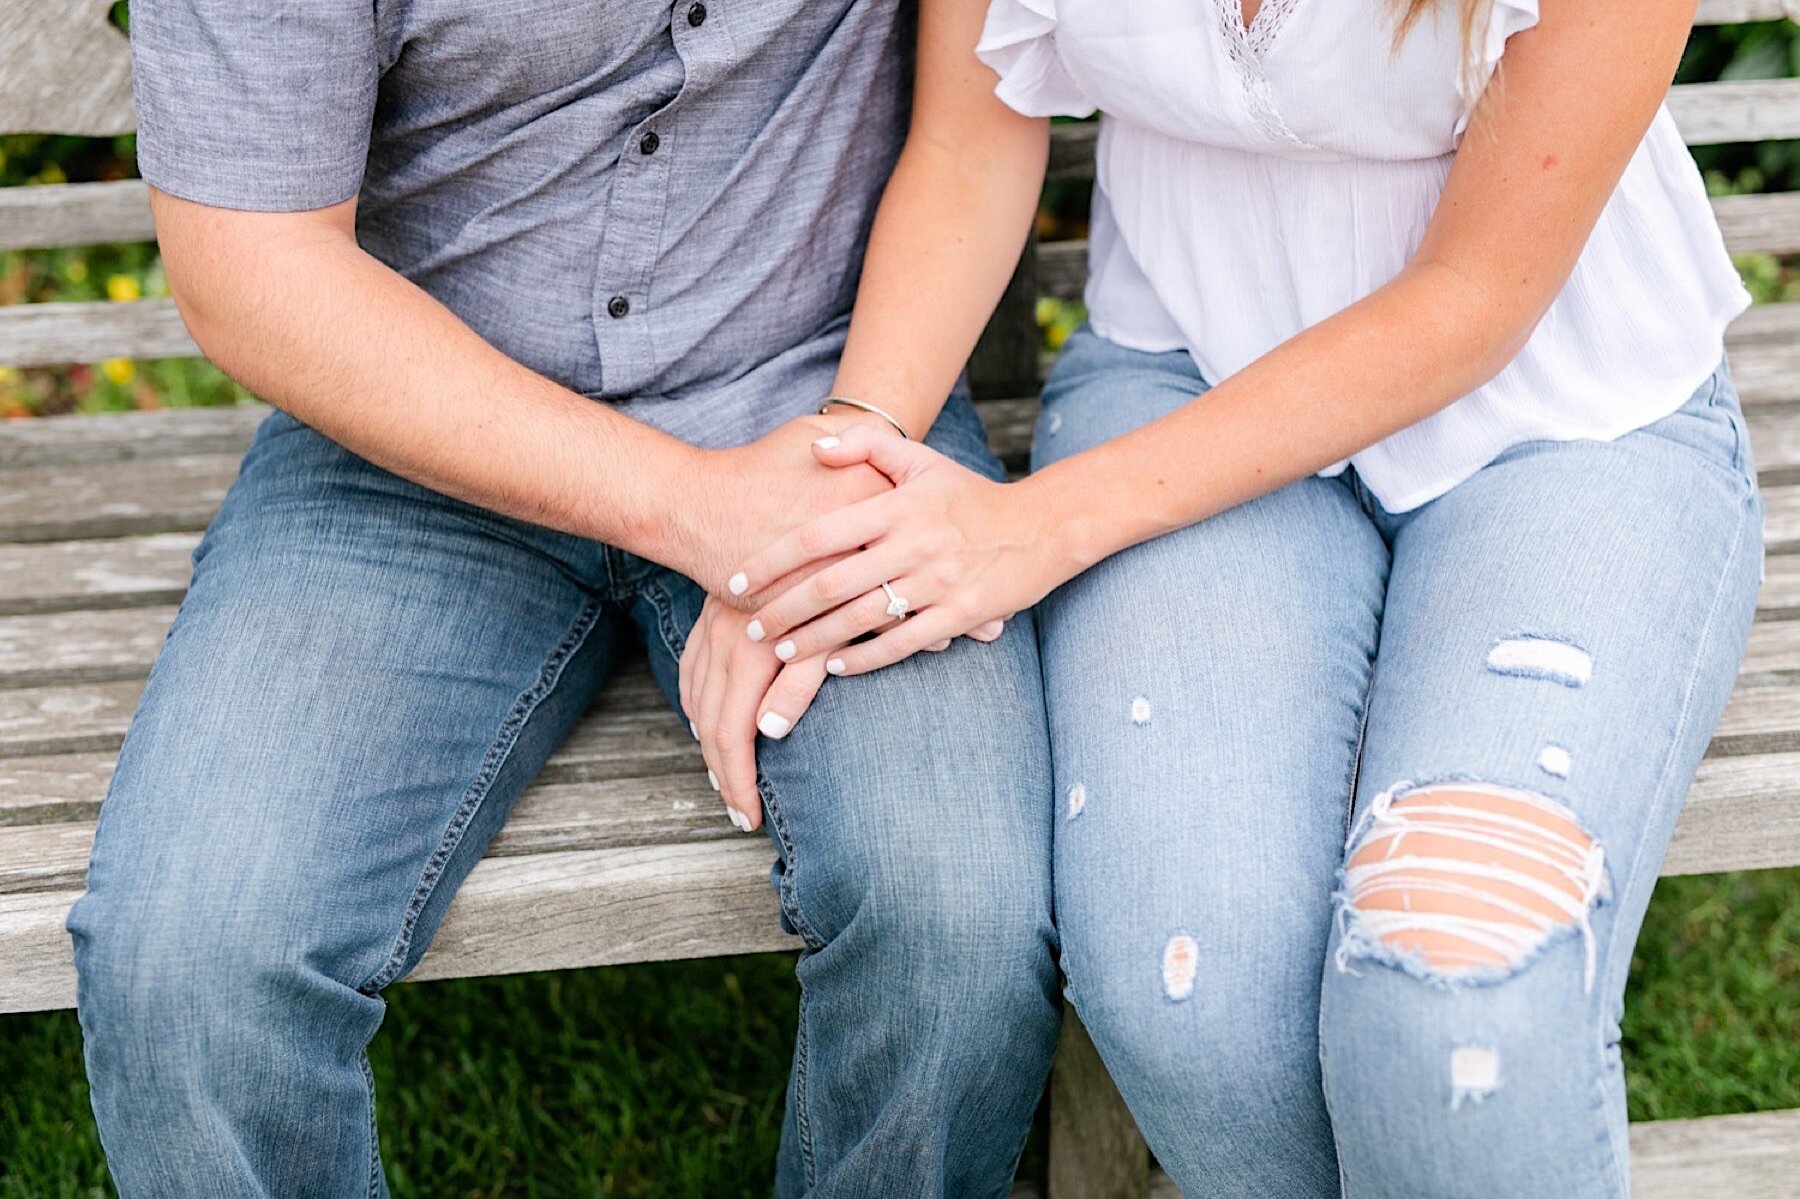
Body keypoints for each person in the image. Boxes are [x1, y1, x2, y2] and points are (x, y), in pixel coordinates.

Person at [730, 0, 1762, 1194]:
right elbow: (972, 138)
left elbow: (1477, 294)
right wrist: (842, 490)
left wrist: (1036, 525)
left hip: (1566, 402)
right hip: (1182, 359)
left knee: (1454, 996)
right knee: (1195, 998)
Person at [64, 2, 1061, 1195]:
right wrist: (700, 510)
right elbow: (250, 266)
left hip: (831, 399)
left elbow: (971, 126)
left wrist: (847, 456)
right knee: (191, 962)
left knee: (963, 921)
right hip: (428, 434)